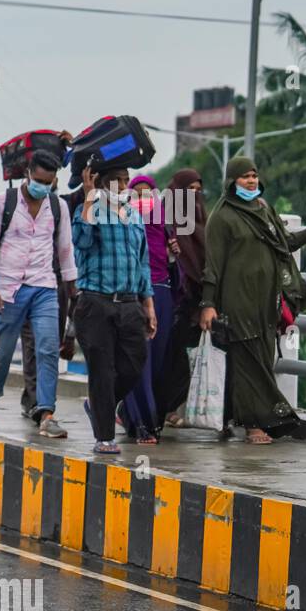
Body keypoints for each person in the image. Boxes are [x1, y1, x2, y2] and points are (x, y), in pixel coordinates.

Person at [199, 157, 306, 443]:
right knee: (250, 362)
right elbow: (212, 265)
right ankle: (254, 425)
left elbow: (285, 243)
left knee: (263, 358)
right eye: (244, 177)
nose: (251, 181)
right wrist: (208, 304)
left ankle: (240, 419)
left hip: (267, 301)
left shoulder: (263, 210)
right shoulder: (222, 217)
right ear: (232, 181)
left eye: (254, 175)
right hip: (237, 301)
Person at [0, 149, 76, 438]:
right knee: (2, 351)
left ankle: (47, 413)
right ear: (28, 173)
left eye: (49, 182)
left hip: (44, 287)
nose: (43, 187)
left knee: (47, 349)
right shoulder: (4, 202)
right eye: (39, 180)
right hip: (7, 290)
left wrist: (73, 291)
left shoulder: (58, 207)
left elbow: (66, 252)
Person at [72, 164, 157, 455]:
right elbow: (80, 242)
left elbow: (142, 262)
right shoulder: (90, 211)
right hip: (95, 303)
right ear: (103, 184)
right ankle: (104, 437)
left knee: (134, 364)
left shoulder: (134, 215)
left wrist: (149, 305)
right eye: (116, 181)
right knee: (102, 371)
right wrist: (87, 196)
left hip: (130, 303)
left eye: (126, 180)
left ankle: (98, 404)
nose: (123, 186)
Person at [118, 174, 179, 443]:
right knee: (138, 360)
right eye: (137, 192)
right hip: (134, 294)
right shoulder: (122, 221)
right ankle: (143, 423)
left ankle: (130, 415)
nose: (143, 198)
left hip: (162, 293)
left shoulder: (165, 223)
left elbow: (177, 271)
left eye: (148, 193)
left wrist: (173, 255)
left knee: (156, 362)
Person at [158, 168, 208, 425]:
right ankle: (155, 409)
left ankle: (168, 409)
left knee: (185, 361)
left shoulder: (201, 224)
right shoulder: (165, 220)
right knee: (169, 357)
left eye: (198, 192)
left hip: (196, 304)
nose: (194, 197)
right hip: (172, 301)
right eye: (189, 191)